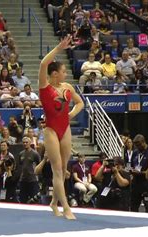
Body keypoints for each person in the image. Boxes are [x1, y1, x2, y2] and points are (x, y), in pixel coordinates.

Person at [38, 36, 84, 219]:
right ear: (55, 73)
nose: (66, 74)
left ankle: (53, 203)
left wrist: (72, 114)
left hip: (65, 128)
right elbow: (43, 64)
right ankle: (66, 207)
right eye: (63, 71)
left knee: (64, 168)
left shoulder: (67, 87)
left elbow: (80, 103)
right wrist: (58, 48)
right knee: (57, 169)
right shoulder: (45, 87)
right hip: (50, 129)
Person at [131, 134, 148, 212]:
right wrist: (131, 170)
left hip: (147, 184)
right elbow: (132, 165)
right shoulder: (135, 152)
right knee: (133, 206)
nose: (138, 147)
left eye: (139, 145)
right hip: (136, 183)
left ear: (143, 142)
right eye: (136, 145)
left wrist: (140, 172)